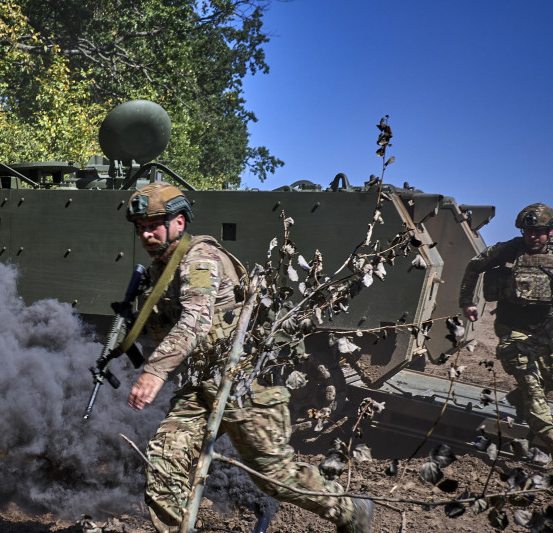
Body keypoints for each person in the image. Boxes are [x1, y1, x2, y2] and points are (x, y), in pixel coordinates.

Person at [123, 182, 372, 533]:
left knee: (274, 475)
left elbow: (197, 318)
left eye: (154, 224)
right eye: (141, 228)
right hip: (200, 388)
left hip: (244, 384)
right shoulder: (158, 272)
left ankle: (349, 510)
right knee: (165, 460)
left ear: (179, 222)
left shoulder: (201, 259)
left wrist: (155, 371)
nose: (147, 234)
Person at [460, 203, 553, 467]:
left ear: (551, 231)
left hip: (546, 325)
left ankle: (518, 397)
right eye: (528, 231)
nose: (533, 236)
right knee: (532, 384)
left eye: (539, 231)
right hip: (511, 327)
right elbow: (474, 267)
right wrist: (467, 302)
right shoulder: (507, 250)